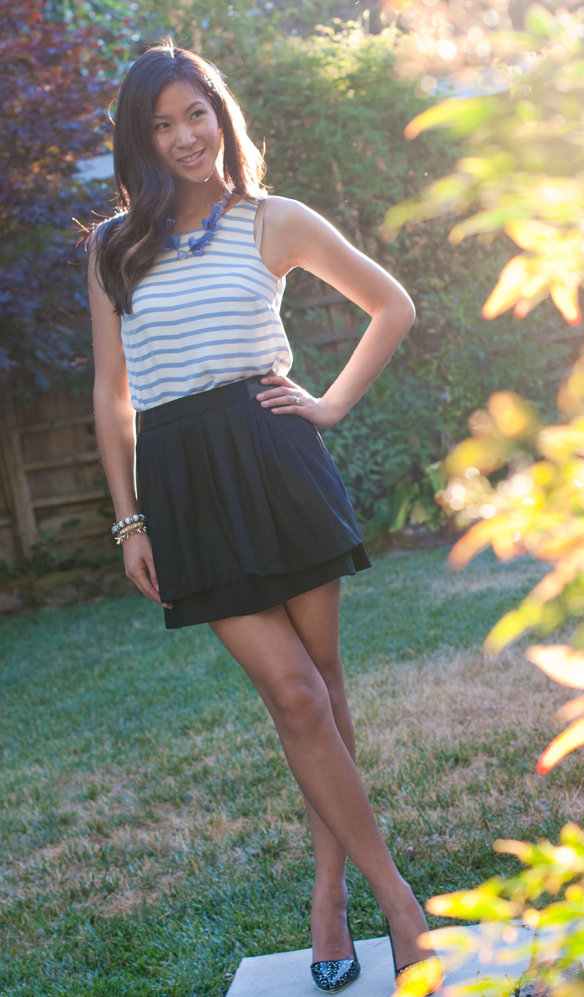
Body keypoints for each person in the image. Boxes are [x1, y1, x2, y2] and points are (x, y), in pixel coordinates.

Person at [88, 43, 442, 996]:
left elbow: (392, 304)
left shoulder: (272, 220)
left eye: (194, 113)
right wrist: (130, 522)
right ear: (140, 140)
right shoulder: (114, 248)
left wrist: (325, 404)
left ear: (220, 114)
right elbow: (111, 392)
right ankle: (400, 903)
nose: (183, 137)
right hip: (186, 482)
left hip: (274, 457)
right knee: (293, 694)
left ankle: (330, 893)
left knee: (321, 688)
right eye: (160, 124)